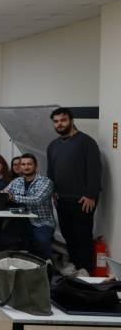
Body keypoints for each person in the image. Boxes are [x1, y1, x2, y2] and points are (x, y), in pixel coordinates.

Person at [46, 107, 102, 274]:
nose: (59, 124)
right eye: (56, 121)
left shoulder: (86, 142)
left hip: (83, 199)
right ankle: (75, 268)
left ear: (71, 121)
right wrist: (53, 190)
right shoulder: (52, 145)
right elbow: (51, 171)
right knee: (68, 235)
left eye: (63, 120)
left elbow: (95, 169)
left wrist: (91, 194)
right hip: (62, 198)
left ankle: (86, 272)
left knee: (82, 237)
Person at [3, 154, 56, 261]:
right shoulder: (16, 181)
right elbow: (4, 193)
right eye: (23, 164)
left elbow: (36, 200)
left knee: (41, 240)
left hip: (41, 222)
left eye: (29, 164)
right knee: (5, 238)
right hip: (21, 221)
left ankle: (49, 265)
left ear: (35, 166)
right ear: (20, 167)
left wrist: (13, 197)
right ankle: (15, 264)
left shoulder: (46, 182)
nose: (26, 167)